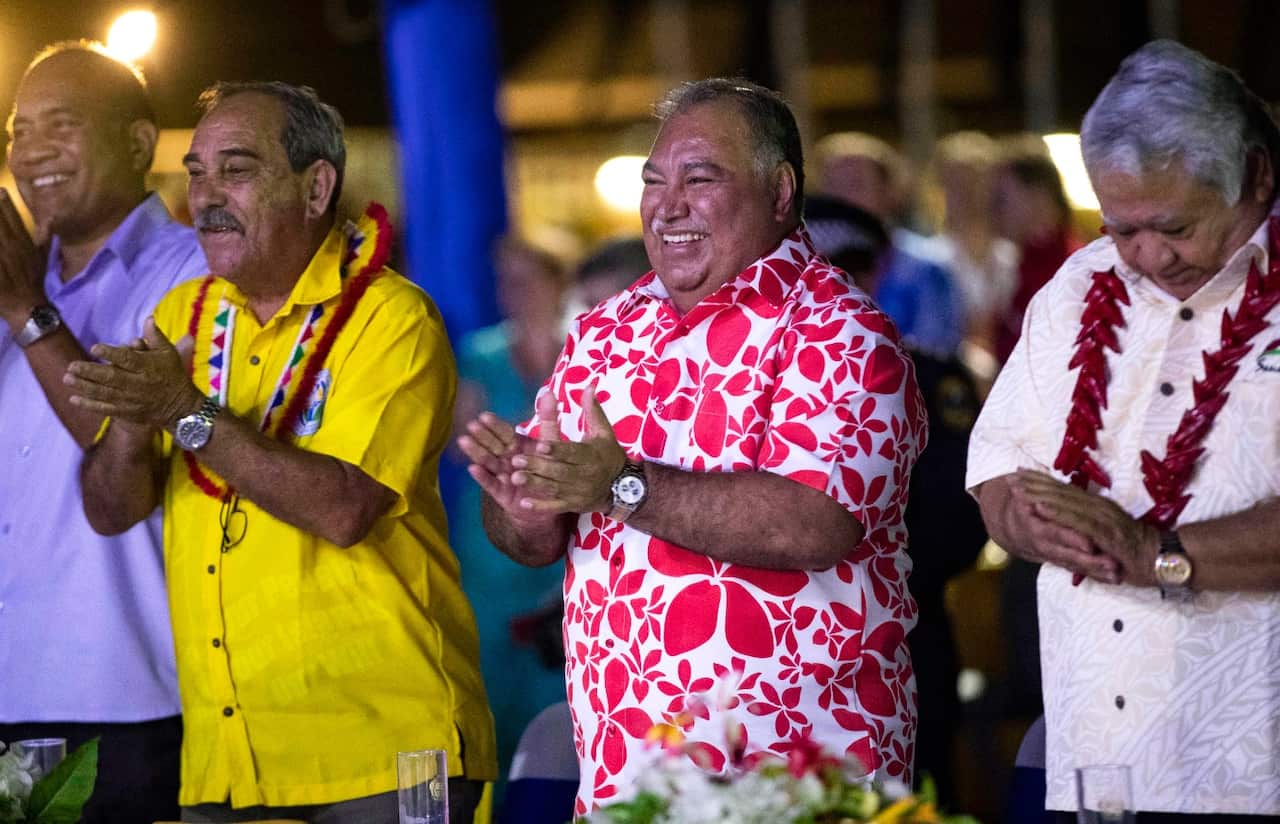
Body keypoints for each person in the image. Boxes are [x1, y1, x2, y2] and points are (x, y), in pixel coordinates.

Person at [458, 78, 928, 817]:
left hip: (798, 774)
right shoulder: (604, 332)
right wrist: (525, 504)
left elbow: (817, 522)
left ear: (779, 192)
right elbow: (535, 533)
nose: (666, 204)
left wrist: (621, 485)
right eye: (654, 182)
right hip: (627, 773)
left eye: (700, 179)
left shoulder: (841, 331)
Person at [67, 81, 495, 823]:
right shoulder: (181, 318)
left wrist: (180, 409)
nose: (204, 196)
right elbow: (111, 510)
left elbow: (344, 508)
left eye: (235, 169)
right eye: (195, 171)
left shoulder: (393, 319)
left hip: (390, 752)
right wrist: (137, 420)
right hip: (233, 759)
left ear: (315, 186)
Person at [968, 40, 1280, 821]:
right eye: (1120, 228)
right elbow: (1000, 464)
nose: (1143, 256)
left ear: (1257, 175)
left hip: (1251, 762)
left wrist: (1158, 554)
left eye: (1172, 226)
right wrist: (1033, 522)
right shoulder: (1078, 284)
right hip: (1093, 761)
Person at [0, 42, 206, 824]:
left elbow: (129, 452)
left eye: (61, 125)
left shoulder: (193, 275)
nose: (31, 152)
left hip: (128, 697)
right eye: (19, 131)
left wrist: (28, 315)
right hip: (10, 693)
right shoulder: (15, 274)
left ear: (137, 143)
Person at [806, 194, 987, 804]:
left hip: (899, 647)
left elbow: (961, 525)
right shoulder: (739, 387)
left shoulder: (931, 381)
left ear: (880, 270)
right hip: (773, 668)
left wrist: (834, 558)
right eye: (814, 265)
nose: (833, 283)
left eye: (850, 266)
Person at [815, 131, 966, 355]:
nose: (842, 197)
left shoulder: (926, 269)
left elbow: (936, 351)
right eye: (833, 185)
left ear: (889, 192)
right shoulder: (806, 268)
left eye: (855, 185)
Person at [990, 135, 1083, 364]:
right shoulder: (1021, 263)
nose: (994, 209)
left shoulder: (1071, 269)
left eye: (1003, 198)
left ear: (1039, 196)